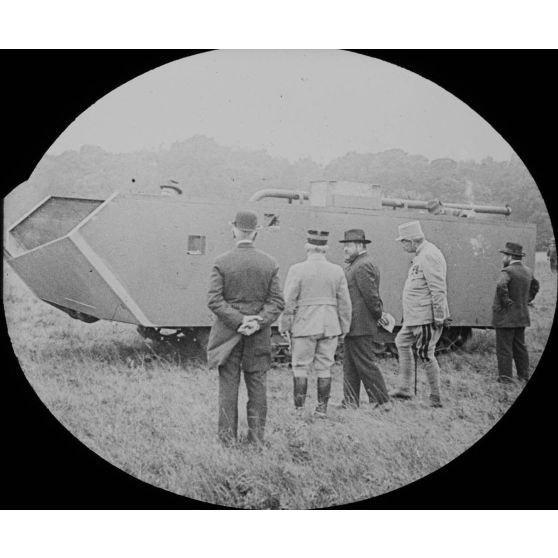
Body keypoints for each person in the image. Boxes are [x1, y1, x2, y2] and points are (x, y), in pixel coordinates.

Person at [206, 210, 284, 446]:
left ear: (234, 228)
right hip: (258, 335)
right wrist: (257, 321)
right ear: (256, 231)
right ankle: (257, 440)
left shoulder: (222, 261)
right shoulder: (269, 263)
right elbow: (278, 302)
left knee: (228, 386)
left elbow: (214, 300)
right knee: (257, 385)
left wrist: (240, 320)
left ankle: (227, 441)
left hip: (228, 334)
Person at [279, 230, 352, 416]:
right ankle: (321, 410)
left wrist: (285, 325)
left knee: (300, 367)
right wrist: (344, 327)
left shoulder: (297, 269)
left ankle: (299, 410)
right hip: (329, 325)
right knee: (325, 367)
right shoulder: (337, 271)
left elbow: (288, 302)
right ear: (325, 249)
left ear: (308, 248)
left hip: (304, 325)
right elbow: (345, 304)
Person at [392, 221, 450, 408]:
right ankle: (405, 388)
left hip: (425, 317)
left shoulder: (429, 255)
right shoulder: (421, 255)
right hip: (414, 318)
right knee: (401, 342)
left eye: (403, 242)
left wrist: (439, 316)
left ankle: (436, 398)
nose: (402, 245)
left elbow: (438, 288)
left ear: (411, 241)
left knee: (425, 354)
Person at [338, 229, 390, 408]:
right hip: (354, 324)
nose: (345, 248)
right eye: (344, 245)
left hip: (360, 324)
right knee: (350, 364)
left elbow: (371, 296)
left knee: (365, 363)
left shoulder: (362, 265)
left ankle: (383, 401)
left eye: (349, 245)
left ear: (360, 245)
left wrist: (378, 315)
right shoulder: (358, 263)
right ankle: (350, 401)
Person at [492, 242, 539, 384]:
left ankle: (505, 379)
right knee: (520, 347)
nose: (503, 258)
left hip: (505, 317)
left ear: (510, 256)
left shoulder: (508, 271)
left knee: (504, 348)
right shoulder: (528, 271)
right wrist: (526, 300)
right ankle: (524, 376)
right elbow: (535, 286)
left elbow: (501, 285)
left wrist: (506, 301)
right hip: (521, 316)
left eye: (504, 255)